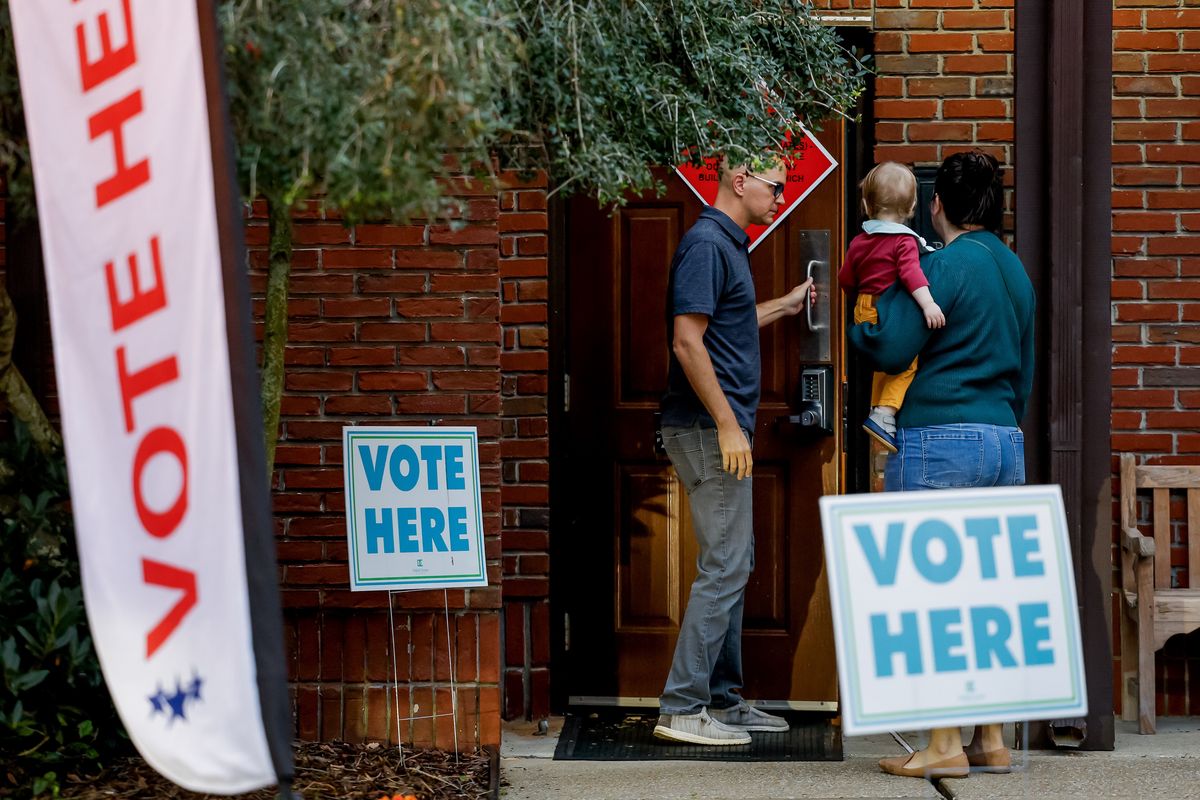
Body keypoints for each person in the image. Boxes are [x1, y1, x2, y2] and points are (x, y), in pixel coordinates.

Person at [848, 150, 1036, 778]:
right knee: (986, 595)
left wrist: (860, 324)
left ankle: (942, 745)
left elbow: (894, 343)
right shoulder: (1016, 272)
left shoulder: (945, 264)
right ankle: (990, 738)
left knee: (930, 596)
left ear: (937, 206)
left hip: (939, 439)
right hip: (1006, 438)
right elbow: (1028, 370)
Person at [654, 157, 816, 746]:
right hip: (705, 428)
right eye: (775, 185)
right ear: (740, 180)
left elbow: (725, 324)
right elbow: (686, 339)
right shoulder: (706, 244)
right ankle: (682, 707)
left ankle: (720, 700)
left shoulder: (727, 244)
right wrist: (726, 423)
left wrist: (785, 305)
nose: (780, 195)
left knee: (734, 564)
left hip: (717, 428)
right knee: (724, 565)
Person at [839, 161, 945, 453]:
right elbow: (912, 274)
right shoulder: (903, 241)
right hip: (890, 310)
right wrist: (928, 304)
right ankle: (885, 411)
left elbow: (846, 278)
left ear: (865, 203)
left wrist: (857, 299)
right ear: (912, 205)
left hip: (864, 307)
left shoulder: (860, 240)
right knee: (907, 362)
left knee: (882, 365)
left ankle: (879, 413)